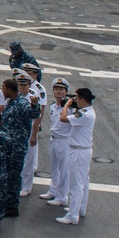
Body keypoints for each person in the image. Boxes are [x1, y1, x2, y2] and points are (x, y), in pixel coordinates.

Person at [0, 73, 41, 217]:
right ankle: (7, 202)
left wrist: (35, 105)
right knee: (7, 175)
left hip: (16, 147)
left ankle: (12, 206)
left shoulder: (22, 103)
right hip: (8, 146)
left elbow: (33, 114)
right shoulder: (11, 102)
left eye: (4, 88)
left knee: (14, 177)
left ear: (10, 90)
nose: (2, 91)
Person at [56, 88, 96, 225]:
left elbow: (63, 118)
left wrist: (66, 104)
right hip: (84, 150)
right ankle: (79, 209)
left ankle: (72, 215)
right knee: (84, 182)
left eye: (77, 98)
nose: (75, 101)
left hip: (79, 152)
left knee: (76, 185)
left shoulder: (84, 114)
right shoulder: (88, 111)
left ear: (83, 100)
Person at [41, 77, 74, 205]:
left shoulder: (70, 109)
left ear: (66, 92)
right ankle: (53, 190)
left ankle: (62, 196)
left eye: (61, 89)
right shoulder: (53, 107)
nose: (58, 92)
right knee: (54, 167)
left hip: (64, 140)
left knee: (64, 170)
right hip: (53, 139)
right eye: (56, 89)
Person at [17, 73, 44, 197]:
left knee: (29, 160)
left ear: (29, 85)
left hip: (29, 131)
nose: (22, 87)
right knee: (18, 159)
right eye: (20, 84)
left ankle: (26, 187)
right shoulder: (16, 97)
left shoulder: (33, 97)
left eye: (25, 85)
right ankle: (18, 183)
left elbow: (37, 118)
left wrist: (34, 135)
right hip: (18, 132)